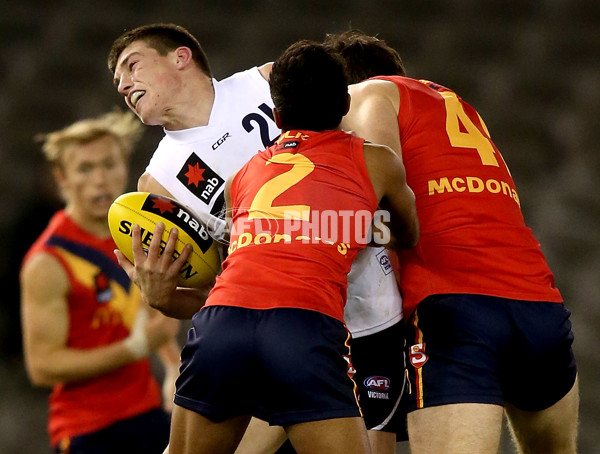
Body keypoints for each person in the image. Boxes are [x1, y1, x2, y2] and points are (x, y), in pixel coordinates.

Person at [108, 23, 412, 453]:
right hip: (279, 326)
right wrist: (163, 298)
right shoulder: (157, 188)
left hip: (366, 313)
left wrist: (336, 229)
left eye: (131, 65)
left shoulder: (267, 80)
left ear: (180, 56)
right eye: (117, 80)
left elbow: (376, 166)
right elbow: (223, 292)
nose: (123, 83)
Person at [324, 30, 579, 454]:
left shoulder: (368, 94)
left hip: (456, 308)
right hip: (540, 305)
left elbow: (379, 198)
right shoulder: (461, 109)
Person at [20, 110, 182, 454]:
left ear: (125, 166)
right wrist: (135, 349)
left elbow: (146, 315)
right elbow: (43, 366)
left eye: (109, 164)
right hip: (86, 429)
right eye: (85, 169)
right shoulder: (48, 262)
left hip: (148, 413)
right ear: (61, 177)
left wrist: (172, 365)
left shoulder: (133, 236)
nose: (100, 179)